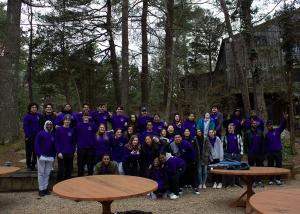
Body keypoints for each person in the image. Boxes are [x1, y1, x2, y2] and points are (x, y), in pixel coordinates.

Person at [265, 113, 288, 185]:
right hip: (270, 153)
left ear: (272, 125)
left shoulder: (277, 130)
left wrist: (285, 119)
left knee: (279, 165)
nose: (270, 126)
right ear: (267, 126)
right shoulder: (266, 134)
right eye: (268, 125)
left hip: (278, 151)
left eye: (271, 125)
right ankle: (271, 179)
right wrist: (266, 153)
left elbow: (282, 126)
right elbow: (266, 145)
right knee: (270, 166)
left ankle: (278, 179)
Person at [35, 120, 56, 196]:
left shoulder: (53, 134)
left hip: (50, 157)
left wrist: (54, 156)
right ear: (45, 125)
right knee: (41, 173)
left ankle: (45, 188)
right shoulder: (40, 134)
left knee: (47, 173)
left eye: (50, 124)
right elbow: (37, 145)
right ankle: (41, 189)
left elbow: (54, 147)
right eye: (48, 124)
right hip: (42, 156)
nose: (49, 126)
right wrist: (39, 155)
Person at [55, 114, 76, 182]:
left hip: (69, 153)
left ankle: (67, 186)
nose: (67, 121)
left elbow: (73, 142)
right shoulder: (59, 129)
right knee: (61, 170)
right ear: (63, 121)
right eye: (66, 120)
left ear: (70, 121)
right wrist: (58, 152)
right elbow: (56, 142)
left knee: (68, 170)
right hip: (61, 153)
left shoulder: (72, 130)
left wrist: (72, 151)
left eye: (69, 120)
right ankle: (58, 184)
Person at [244, 120, 265, 187]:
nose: (254, 124)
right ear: (251, 124)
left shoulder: (260, 132)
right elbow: (245, 144)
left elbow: (263, 143)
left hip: (259, 154)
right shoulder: (247, 132)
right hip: (251, 153)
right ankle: (252, 182)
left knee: (259, 168)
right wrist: (248, 152)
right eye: (253, 123)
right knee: (251, 168)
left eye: (255, 123)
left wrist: (263, 153)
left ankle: (259, 181)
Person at [223, 123, 243, 188]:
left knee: (237, 169)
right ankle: (228, 184)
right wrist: (224, 154)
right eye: (228, 128)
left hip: (237, 155)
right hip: (228, 155)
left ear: (234, 128)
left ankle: (237, 183)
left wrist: (241, 153)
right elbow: (223, 146)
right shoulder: (226, 136)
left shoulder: (238, 136)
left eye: (230, 128)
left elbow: (241, 145)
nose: (229, 129)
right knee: (228, 169)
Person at [23, 102, 42, 171]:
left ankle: (34, 165)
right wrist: (27, 136)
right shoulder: (27, 116)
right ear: (30, 108)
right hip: (29, 137)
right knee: (29, 152)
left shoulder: (39, 115)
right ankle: (28, 165)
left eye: (35, 107)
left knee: (35, 152)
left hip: (37, 137)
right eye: (32, 107)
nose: (34, 108)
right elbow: (25, 127)